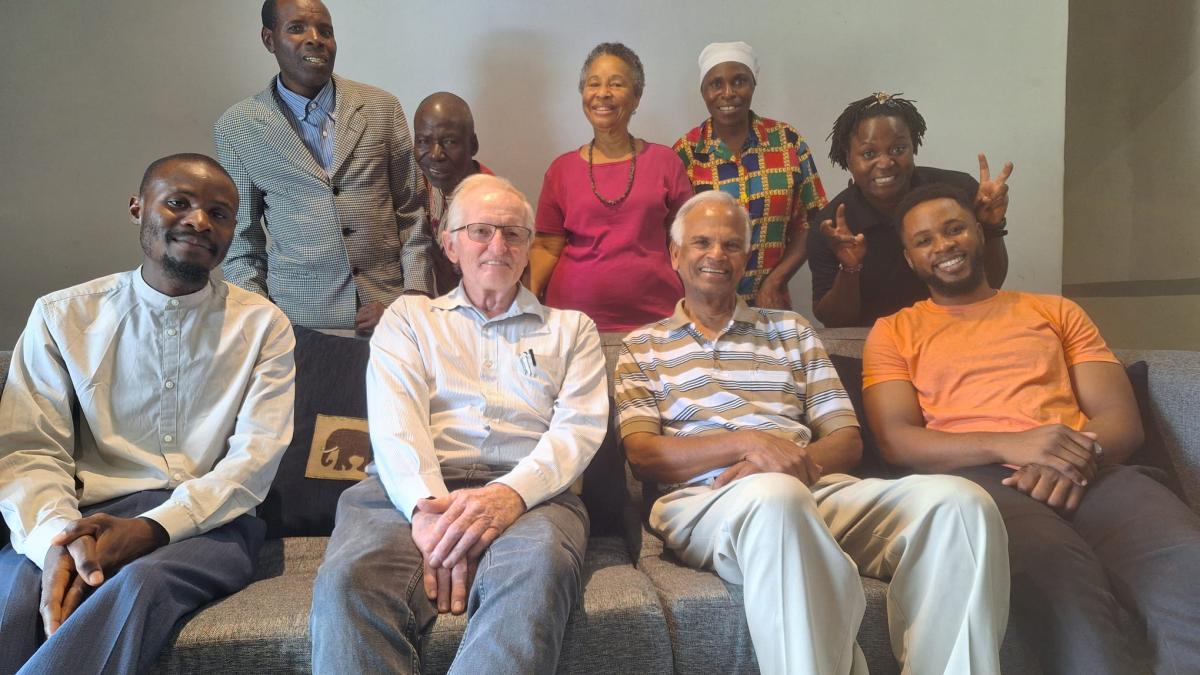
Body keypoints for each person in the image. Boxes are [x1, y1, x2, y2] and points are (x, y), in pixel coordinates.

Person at [614, 189, 1009, 675]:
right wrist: (751, 444)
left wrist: (791, 465)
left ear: (746, 257)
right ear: (675, 254)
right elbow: (644, 456)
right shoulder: (643, 347)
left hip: (814, 487)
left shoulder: (792, 331)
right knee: (775, 496)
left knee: (961, 504)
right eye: (702, 243)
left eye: (732, 245)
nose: (717, 254)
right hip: (707, 502)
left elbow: (846, 439)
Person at [863, 183, 1200, 675]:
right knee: (1062, 583)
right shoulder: (893, 331)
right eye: (925, 240)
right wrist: (1015, 445)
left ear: (980, 233)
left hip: (1094, 469)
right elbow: (896, 441)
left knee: (1186, 566)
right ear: (910, 259)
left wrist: (1072, 459)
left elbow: (1119, 418)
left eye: (955, 229)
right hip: (981, 483)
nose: (944, 246)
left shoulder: (1055, 310)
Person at [0, 154, 296, 673]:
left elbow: (254, 459)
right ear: (138, 208)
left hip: (211, 524)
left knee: (140, 584)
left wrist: (154, 528)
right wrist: (57, 540)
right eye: (178, 203)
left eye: (219, 214)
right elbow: (30, 449)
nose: (199, 221)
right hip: (83, 513)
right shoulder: (62, 315)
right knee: (19, 604)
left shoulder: (263, 326)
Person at [310, 174, 608, 674]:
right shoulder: (409, 318)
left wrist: (509, 495)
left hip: (535, 496)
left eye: (513, 234)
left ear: (529, 247)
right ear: (450, 245)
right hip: (402, 491)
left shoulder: (572, 330)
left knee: (537, 568)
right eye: (480, 231)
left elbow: (577, 432)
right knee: (350, 581)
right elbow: (396, 422)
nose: (498, 245)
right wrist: (428, 512)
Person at [214, 0, 433, 334]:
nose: (315, 39)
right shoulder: (237, 127)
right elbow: (242, 241)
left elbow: (412, 212)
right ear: (269, 39)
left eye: (325, 31)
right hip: (298, 323)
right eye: (296, 28)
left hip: (389, 315)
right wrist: (261, 320)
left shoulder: (382, 108)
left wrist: (411, 300)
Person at [531, 42, 693, 367]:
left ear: (636, 97)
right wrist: (527, 306)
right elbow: (547, 246)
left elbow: (686, 242)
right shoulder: (561, 169)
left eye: (616, 84)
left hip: (656, 325)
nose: (603, 93)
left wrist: (699, 310)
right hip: (574, 328)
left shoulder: (665, 162)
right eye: (594, 83)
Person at [808, 92, 1013, 327]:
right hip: (874, 336)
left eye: (898, 149)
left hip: (959, 325)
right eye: (869, 154)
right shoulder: (832, 226)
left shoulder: (958, 194)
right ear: (848, 158)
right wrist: (850, 269)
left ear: (913, 147)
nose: (885, 163)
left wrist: (991, 227)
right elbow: (834, 322)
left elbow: (990, 283)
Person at [673, 41, 826, 309]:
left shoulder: (787, 142)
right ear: (703, 91)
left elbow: (813, 221)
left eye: (739, 81)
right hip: (706, 308)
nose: (728, 93)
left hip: (771, 306)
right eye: (716, 84)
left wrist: (775, 281)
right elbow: (674, 237)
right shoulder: (686, 153)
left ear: (753, 84)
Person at [412, 91, 494, 296]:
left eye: (449, 141)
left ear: (473, 145)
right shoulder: (414, 187)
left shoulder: (494, 205)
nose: (435, 154)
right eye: (423, 141)